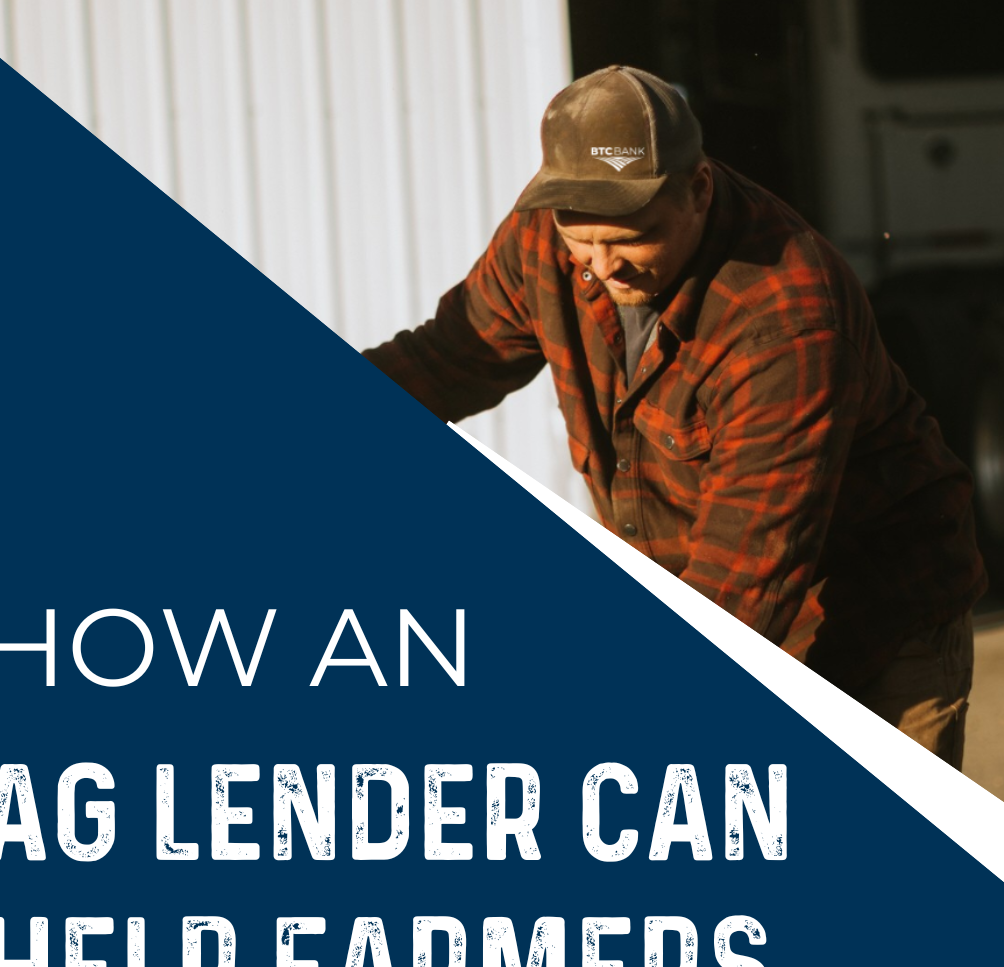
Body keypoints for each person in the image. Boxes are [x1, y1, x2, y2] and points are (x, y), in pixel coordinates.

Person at [363, 66, 986, 767]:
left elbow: (744, 577)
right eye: (582, 238)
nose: (601, 266)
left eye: (633, 235)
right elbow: (447, 360)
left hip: (869, 622)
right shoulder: (549, 233)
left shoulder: (785, 318)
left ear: (697, 190)